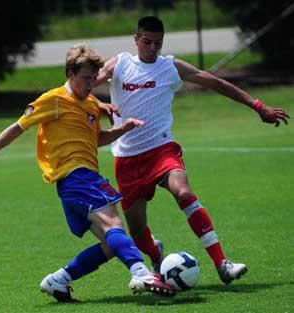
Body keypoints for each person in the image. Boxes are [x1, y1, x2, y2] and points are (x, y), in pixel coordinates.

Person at [93, 16, 290, 285]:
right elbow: (84, 85)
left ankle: (222, 263)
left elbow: (214, 82)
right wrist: (98, 104)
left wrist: (257, 106)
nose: (152, 48)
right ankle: (155, 253)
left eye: (157, 43)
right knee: (138, 233)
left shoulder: (170, 67)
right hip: (127, 158)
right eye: (147, 42)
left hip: (161, 148)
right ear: (136, 40)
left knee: (183, 192)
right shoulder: (120, 64)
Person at [0, 43, 176, 303]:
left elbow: (96, 139)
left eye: (94, 78)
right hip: (77, 176)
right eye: (85, 78)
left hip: (76, 183)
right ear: (70, 74)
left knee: (112, 244)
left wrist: (122, 130)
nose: (91, 84)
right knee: (114, 225)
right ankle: (141, 273)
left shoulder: (91, 104)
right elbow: (17, 127)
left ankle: (59, 280)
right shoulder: (53, 100)